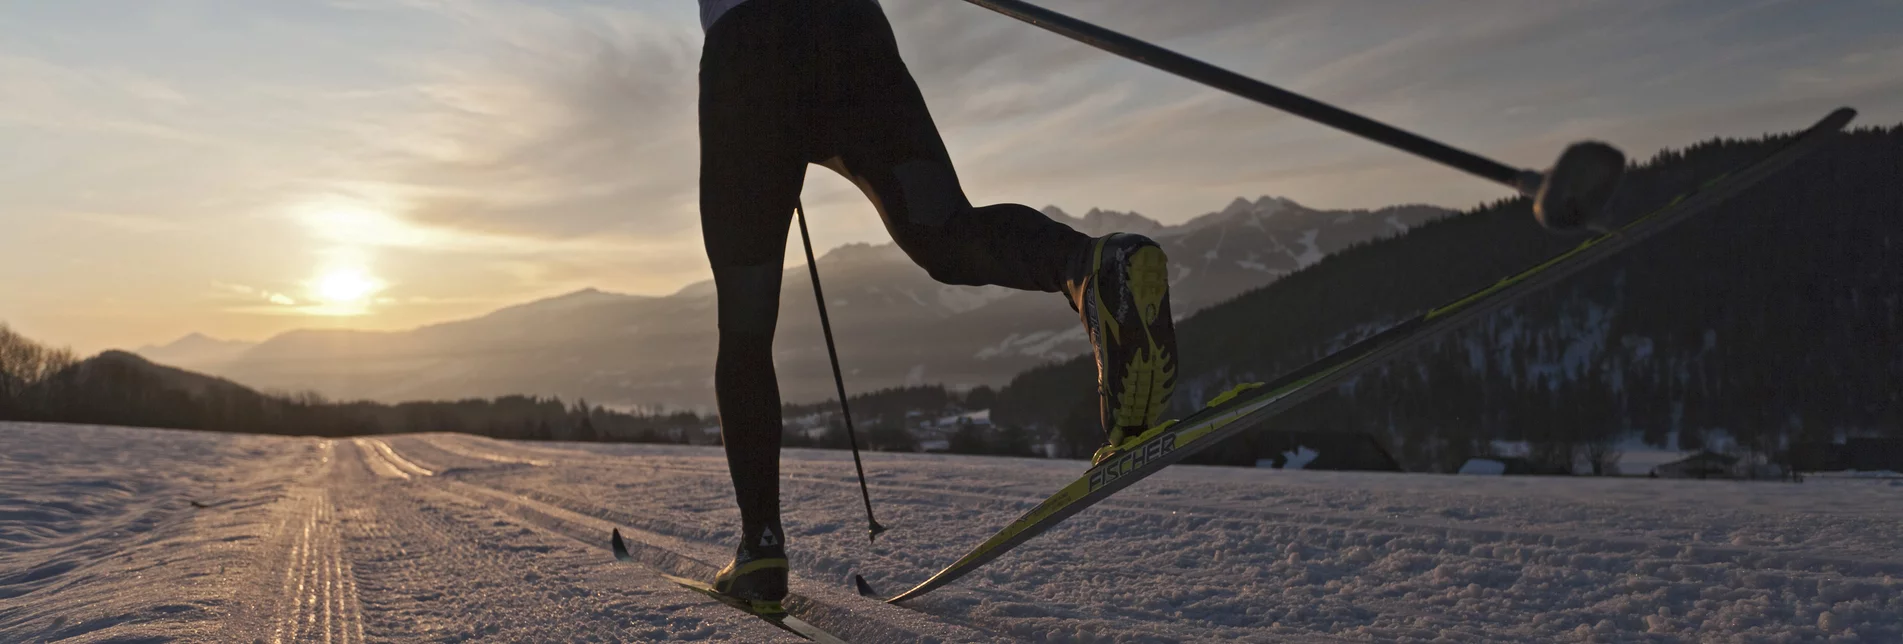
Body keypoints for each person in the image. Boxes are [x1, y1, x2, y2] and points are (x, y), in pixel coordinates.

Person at [696, 0, 1179, 607]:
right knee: (946, 231)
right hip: (848, 31)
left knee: (745, 319)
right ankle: (1088, 267)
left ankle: (760, 550)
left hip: (749, 55)